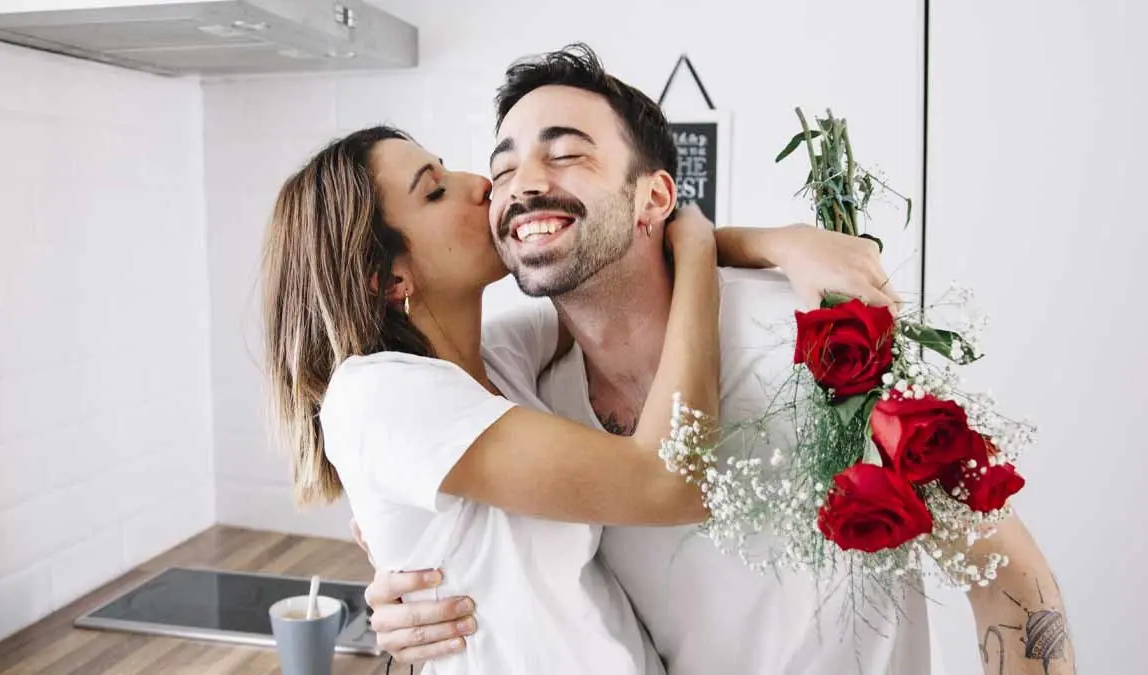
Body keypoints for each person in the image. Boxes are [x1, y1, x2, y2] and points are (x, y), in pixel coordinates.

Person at [365, 45, 1075, 675]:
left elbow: (1010, 573)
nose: (521, 184)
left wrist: (766, 244)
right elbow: (404, 454)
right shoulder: (522, 387)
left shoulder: (819, 339)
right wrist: (392, 587)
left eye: (566, 152)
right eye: (505, 165)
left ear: (655, 197)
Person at [261, 125, 890, 673]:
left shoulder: (497, 359)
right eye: (435, 189)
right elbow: (671, 483)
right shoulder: (378, 393)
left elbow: (618, 260)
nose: (481, 183)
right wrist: (696, 248)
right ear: (389, 276)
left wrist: (782, 242)